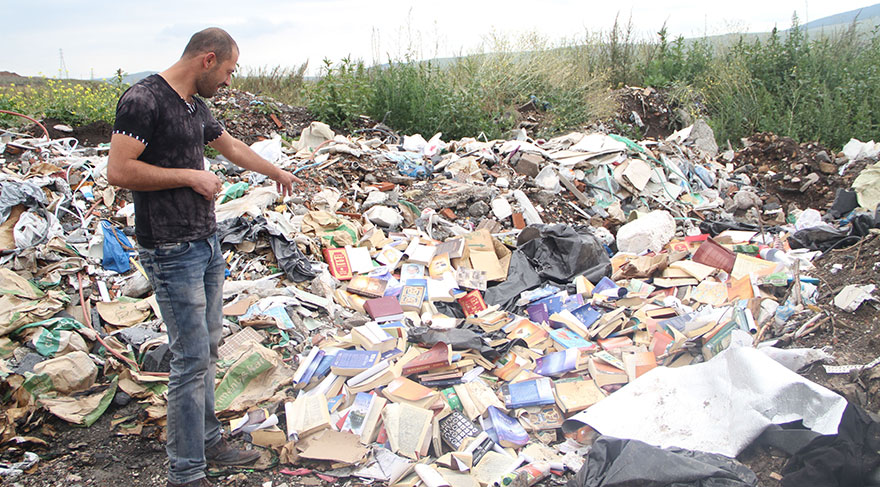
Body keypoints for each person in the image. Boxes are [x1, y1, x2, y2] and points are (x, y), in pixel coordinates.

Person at [107, 27, 298, 487]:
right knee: (190, 359)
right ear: (208, 60)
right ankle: (186, 472)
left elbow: (228, 146)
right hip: (171, 247)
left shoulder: (194, 103)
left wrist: (276, 171)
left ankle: (208, 440)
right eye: (229, 71)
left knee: (208, 348)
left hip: (206, 242)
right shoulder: (143, 99)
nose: (230, 81)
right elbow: (119, 170)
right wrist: (190, 178)